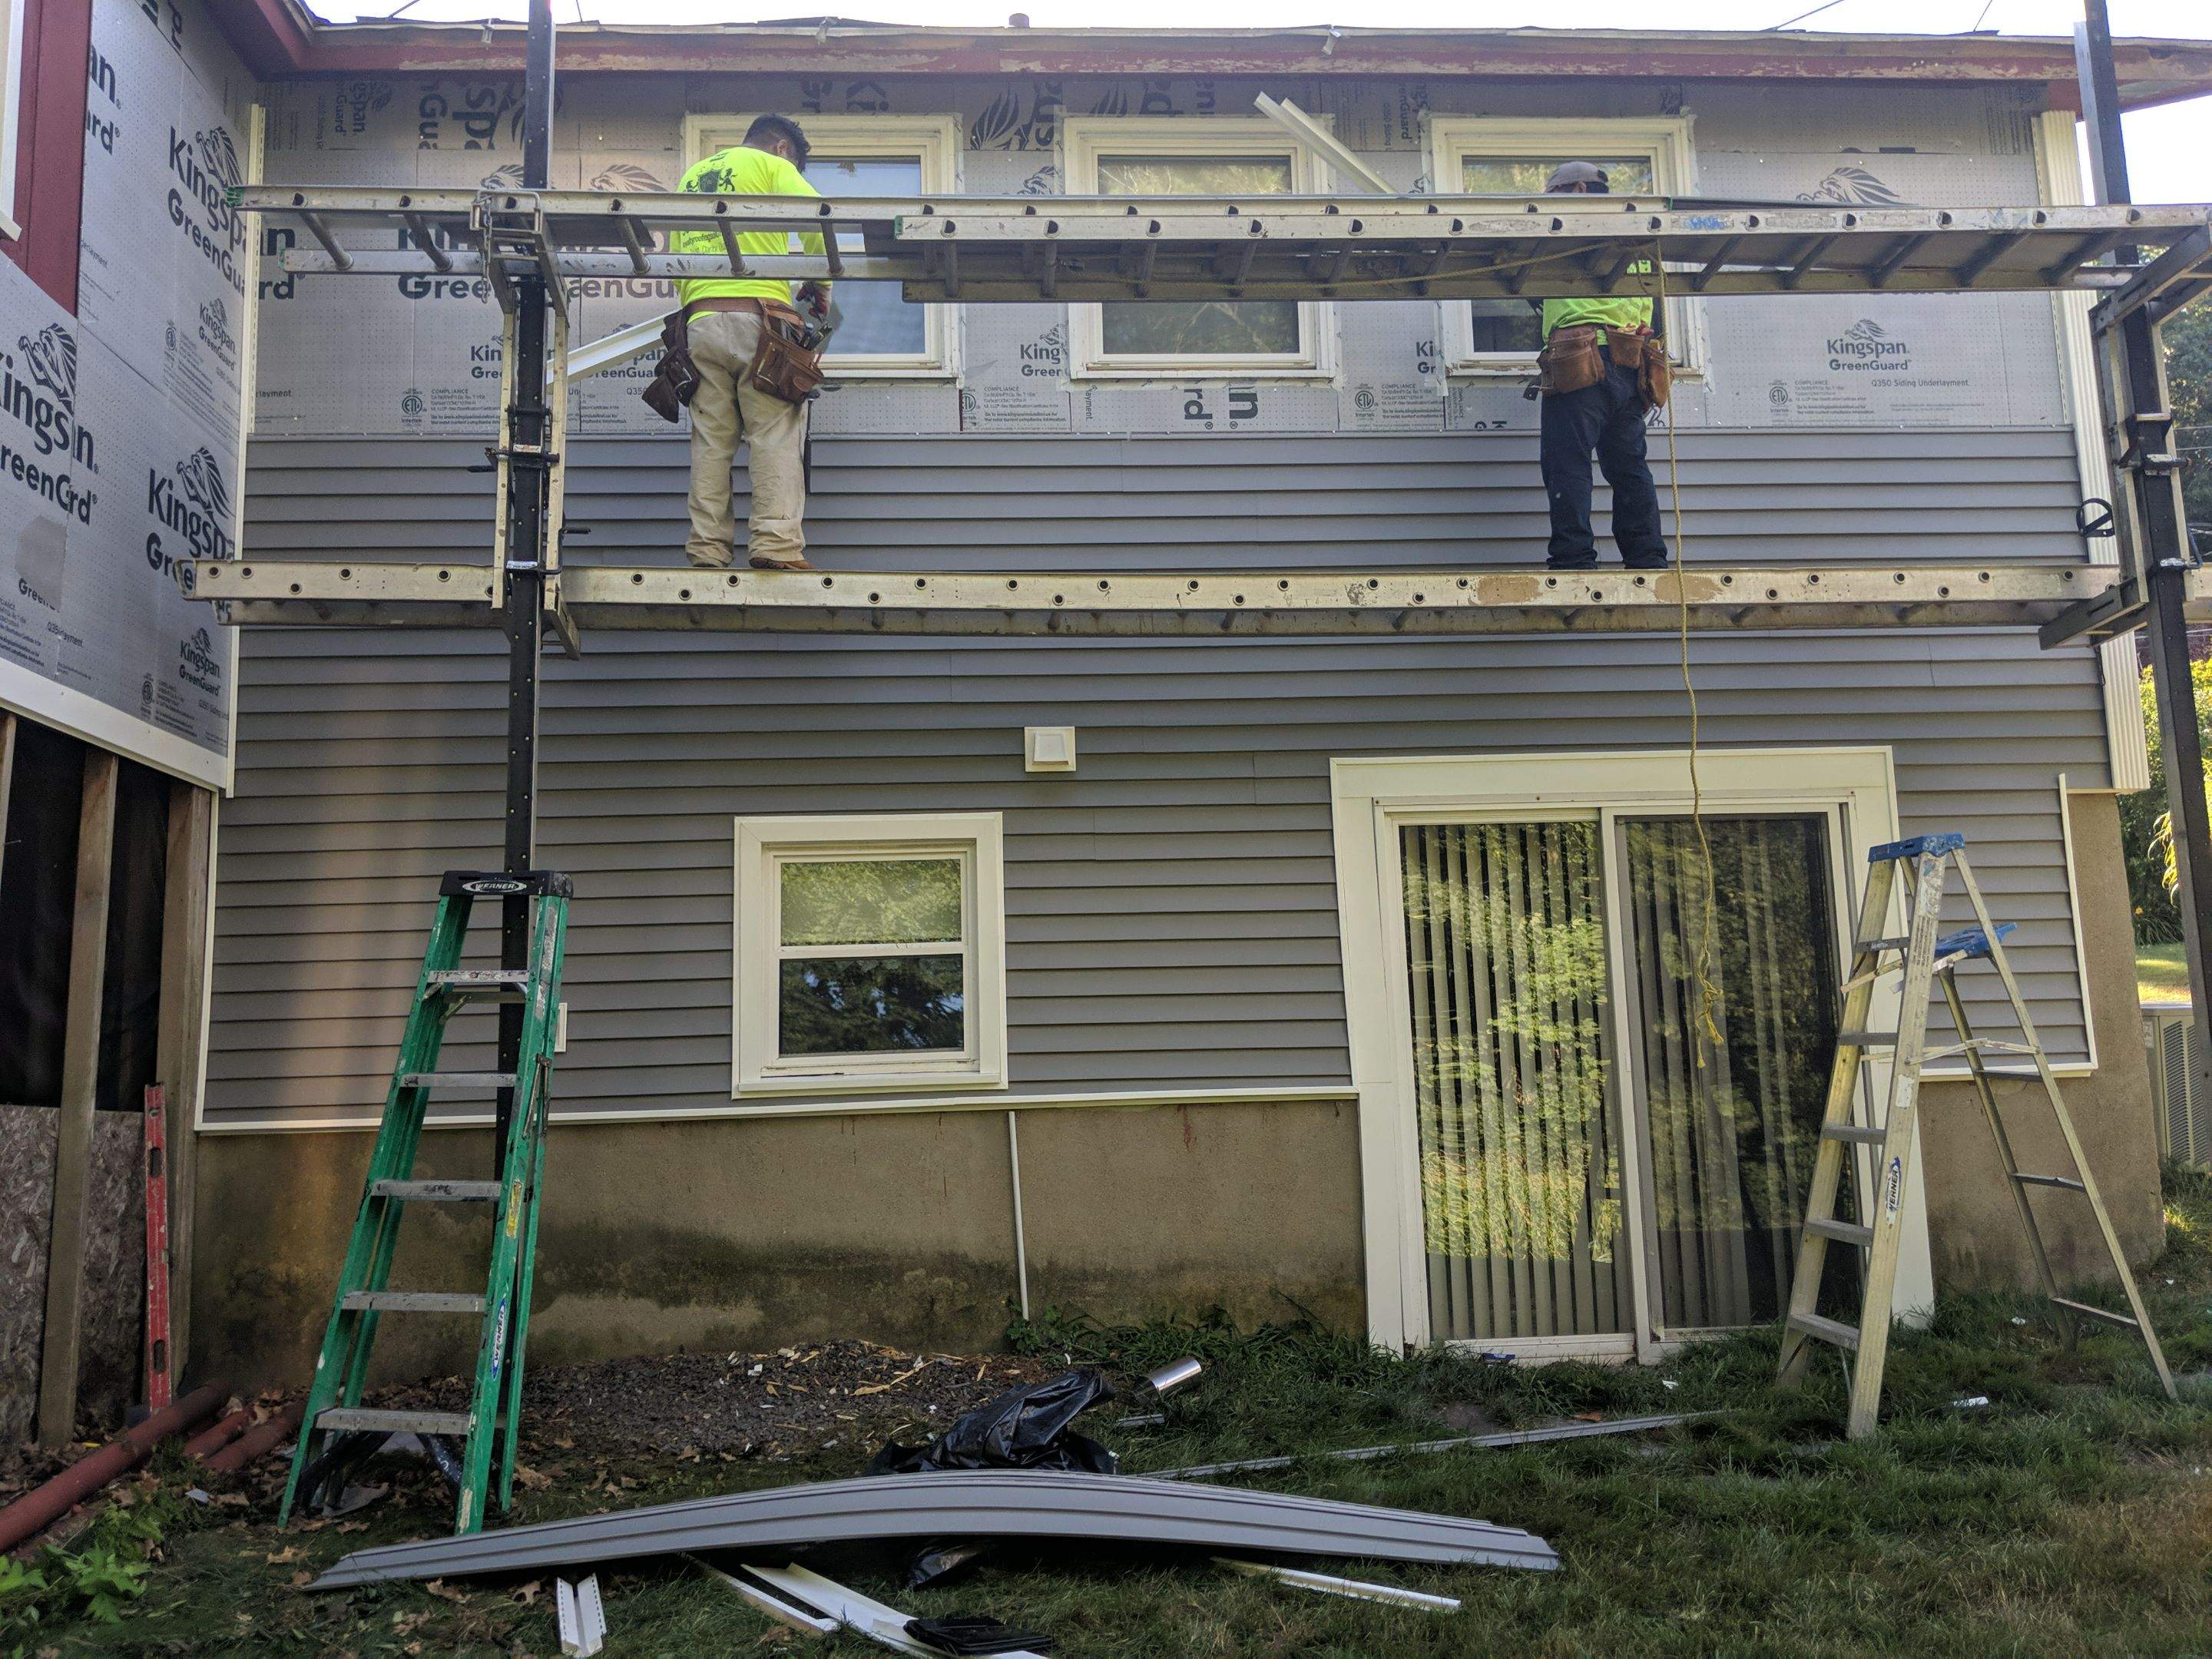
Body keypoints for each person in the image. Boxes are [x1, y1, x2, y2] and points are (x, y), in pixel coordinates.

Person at [669, 114, 833, 571]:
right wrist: (819, 285)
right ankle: (775, 547)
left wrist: (701, 305)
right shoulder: (771, 165)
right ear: (782, 148)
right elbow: (820, 219)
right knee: (774, 434)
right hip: (760, 320)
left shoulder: (692, 176)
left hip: (700, 320)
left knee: (711, 443)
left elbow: (675, 255)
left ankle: (707, 551)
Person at [1533, 160, 1669, 572]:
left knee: (1567, 463)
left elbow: (1527, 286)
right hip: (1630, 363)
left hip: (1580, 363)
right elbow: (1657, 313)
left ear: (1578, 190)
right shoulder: (1639, 239)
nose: (1548, 204)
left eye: (1553, 192)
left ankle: (1573, 560)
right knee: (1629, 466)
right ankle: (1646, 558)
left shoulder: (1562, 233)